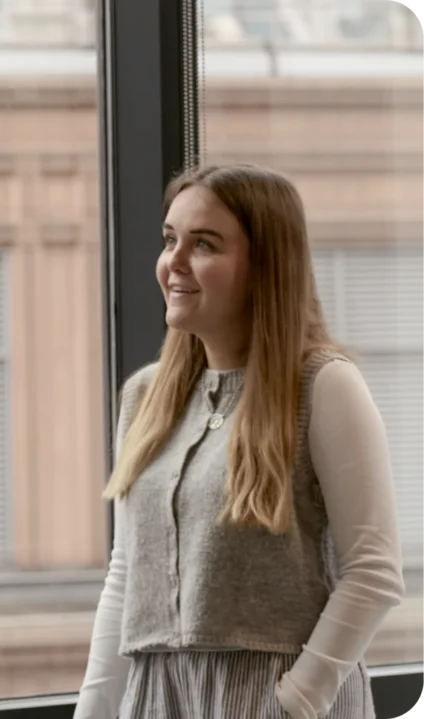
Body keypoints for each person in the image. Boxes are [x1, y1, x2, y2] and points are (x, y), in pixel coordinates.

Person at [72, 163, 405, 719]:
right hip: (159, 699)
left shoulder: (323, 386)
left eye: (203, 244)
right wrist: (93, 709)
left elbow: (374, 570)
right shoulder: (145, 398)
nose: (173, 263)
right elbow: (127, 575)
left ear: (265, 267)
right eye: (169, 239)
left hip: (276, 699)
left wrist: (296, 701)